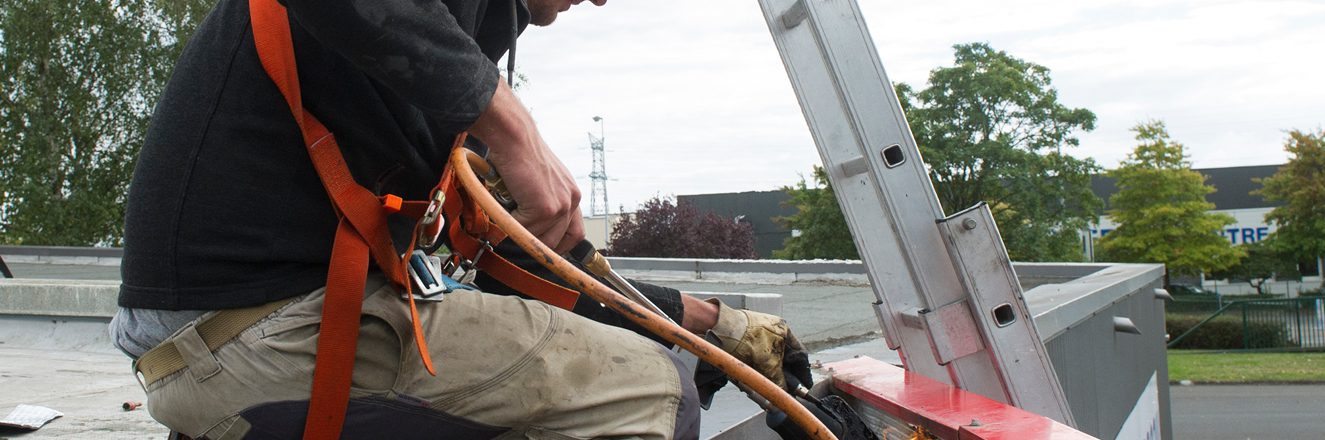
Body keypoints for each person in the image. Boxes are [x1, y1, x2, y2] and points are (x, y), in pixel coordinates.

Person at [112, 0, 806, 438]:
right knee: (651, 390)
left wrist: (714, 325)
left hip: (212, 340)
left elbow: (526, 270)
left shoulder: (432, 52)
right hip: (253, 334)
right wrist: (505, 118)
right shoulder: (442, 56)